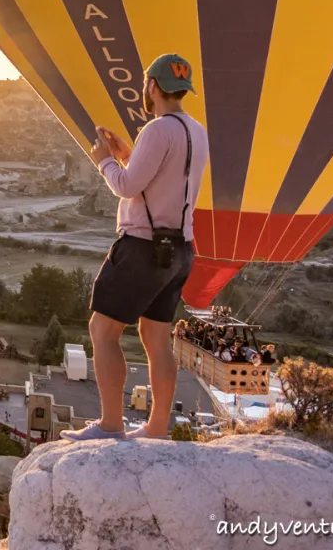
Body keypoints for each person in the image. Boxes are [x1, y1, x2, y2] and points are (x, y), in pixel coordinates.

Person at [61, 54, 210, 442]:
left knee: (102, 330)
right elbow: (163, 180)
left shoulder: (158, 130)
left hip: (143, 247)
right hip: (179, 251)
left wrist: (104, 162)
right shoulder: (196, 131)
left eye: (146, 85)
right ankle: (156, 427)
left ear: (153, 87)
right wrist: (128, 156)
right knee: (156, 339)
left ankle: (111, 425)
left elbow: (127, 187)